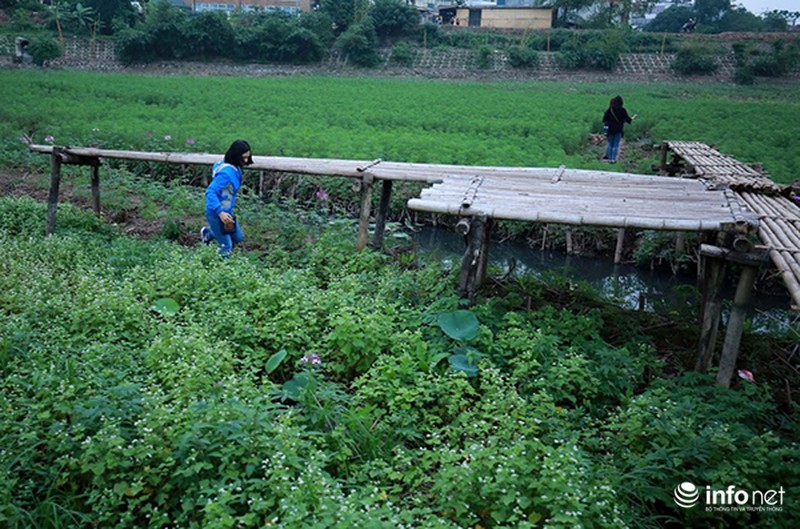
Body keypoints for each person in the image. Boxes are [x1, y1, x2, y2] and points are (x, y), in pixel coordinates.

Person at [200, 139, 253, 255]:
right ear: (235, 156)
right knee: (226, 245)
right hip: (216, 213)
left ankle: (208, 233)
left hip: (227, 212)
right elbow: (210, 192)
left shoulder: (235, 168)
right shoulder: (226, 174)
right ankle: (220, 269)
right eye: (243, 158)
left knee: (238, 237)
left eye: (247, 157)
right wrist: (220, 212)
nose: (245, 161)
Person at [602, 96, 637, 163]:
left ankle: (609, 158)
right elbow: (628, 120)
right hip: (618, 130)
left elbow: (604, 119)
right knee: (616, 145)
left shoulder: (609, 110)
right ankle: (613, 159)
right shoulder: (622, 110)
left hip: (610, 130)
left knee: (610, 144)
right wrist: (632, 118)